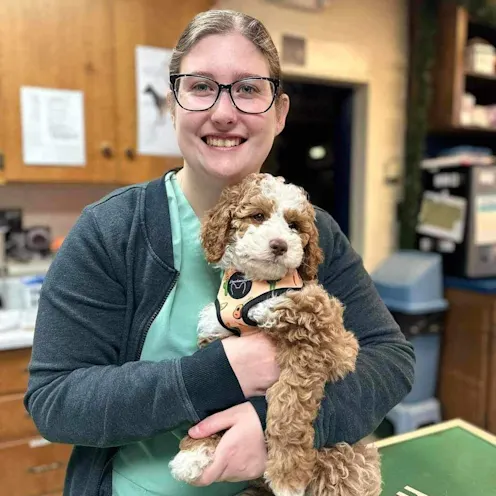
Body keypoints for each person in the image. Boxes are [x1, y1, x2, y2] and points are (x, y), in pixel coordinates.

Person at [24, 9, 415, 496]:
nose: (224, 112)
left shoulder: (317, 233)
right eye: (201, 86)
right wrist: (217, 373)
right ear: (174, 104)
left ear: (280, 112)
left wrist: (275, 427)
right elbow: (56, 401)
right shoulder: (110, 232)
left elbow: (391, 358)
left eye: (249, 89)